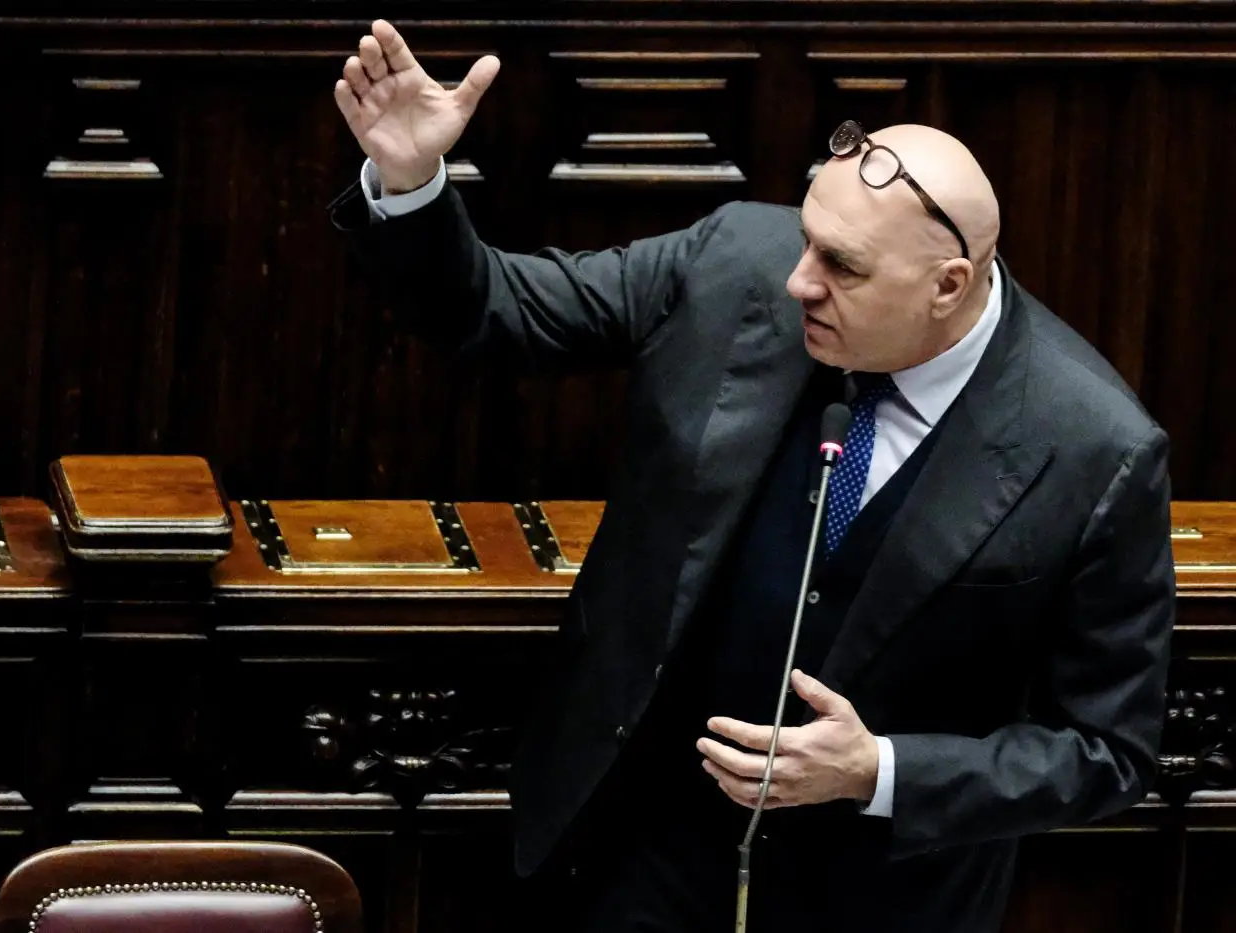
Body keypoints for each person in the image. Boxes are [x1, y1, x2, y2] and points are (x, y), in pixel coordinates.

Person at [327, 19, 1177, 933]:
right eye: (809, 239)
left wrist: (880, 770)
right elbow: (496, 306)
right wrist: (412, 182)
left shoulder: (1094, 448)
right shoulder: (734, 260)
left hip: (877, 898)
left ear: (948, 285)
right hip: (640, 851)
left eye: (842, 266)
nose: (798, 281)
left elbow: (1107, 750)